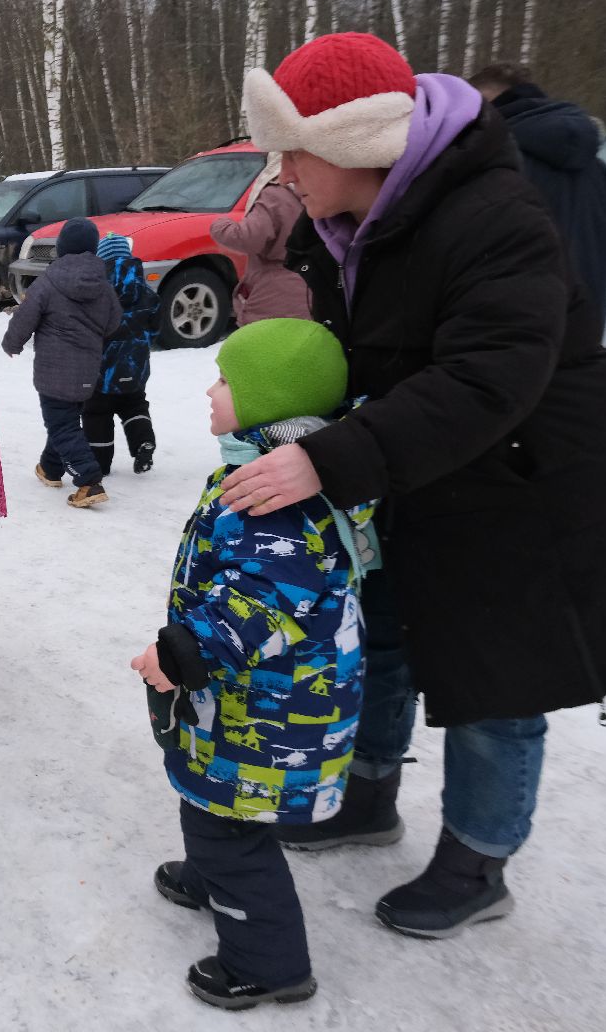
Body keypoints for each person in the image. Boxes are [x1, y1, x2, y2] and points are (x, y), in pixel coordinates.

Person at [231, 32, 606, 937]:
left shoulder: (493, 217)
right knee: (383, 639)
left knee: (498, 681)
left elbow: (488, 379)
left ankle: (480, 859)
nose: (282, 172)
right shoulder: (346, 224)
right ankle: (367, 795)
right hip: (420, 475)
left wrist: (331, 457)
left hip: (525, 491)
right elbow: (352, 353)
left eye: (294, 148)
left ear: (356, 146)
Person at [134, 317, 374, 1012]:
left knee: (229, 824)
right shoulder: (267, 469)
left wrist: (181, 654)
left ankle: (269, 964)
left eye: (228, 379)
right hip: (249, 701)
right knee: (213, 800)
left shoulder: (278, 509)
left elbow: (260, 605)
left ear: (272, 401)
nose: (211, 389)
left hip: (273, 710)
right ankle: (215, 876)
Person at [469, 62, 606, 329]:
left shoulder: (499, 163)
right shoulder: (601, 170)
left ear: (486, 104)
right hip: (587, 329)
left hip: (516, 331)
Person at [1, 217, 122, 507]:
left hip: (53, 372)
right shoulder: (103, 285)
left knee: (62, 425)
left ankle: (89, 482)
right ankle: (50, 468)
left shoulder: (49, 281)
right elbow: (114, 321)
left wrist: (11, 342)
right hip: (87, 371)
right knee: (65, 421)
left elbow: (26, 315)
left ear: (61, 248)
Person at [83, 233, 158, 475]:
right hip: (135, 368)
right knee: (135, 406)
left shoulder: (94, 293)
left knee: (97, 413)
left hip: (100, 373)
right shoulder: (146, 291)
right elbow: (156, 328)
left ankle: (100, 461)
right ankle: (143, 442)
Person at [207, 152, 312, 324]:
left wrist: (219, 224)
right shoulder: (320, 195)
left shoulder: (274, 195)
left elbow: (248, 238)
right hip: (310, 289)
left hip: (274, 294)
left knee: (266, 347)